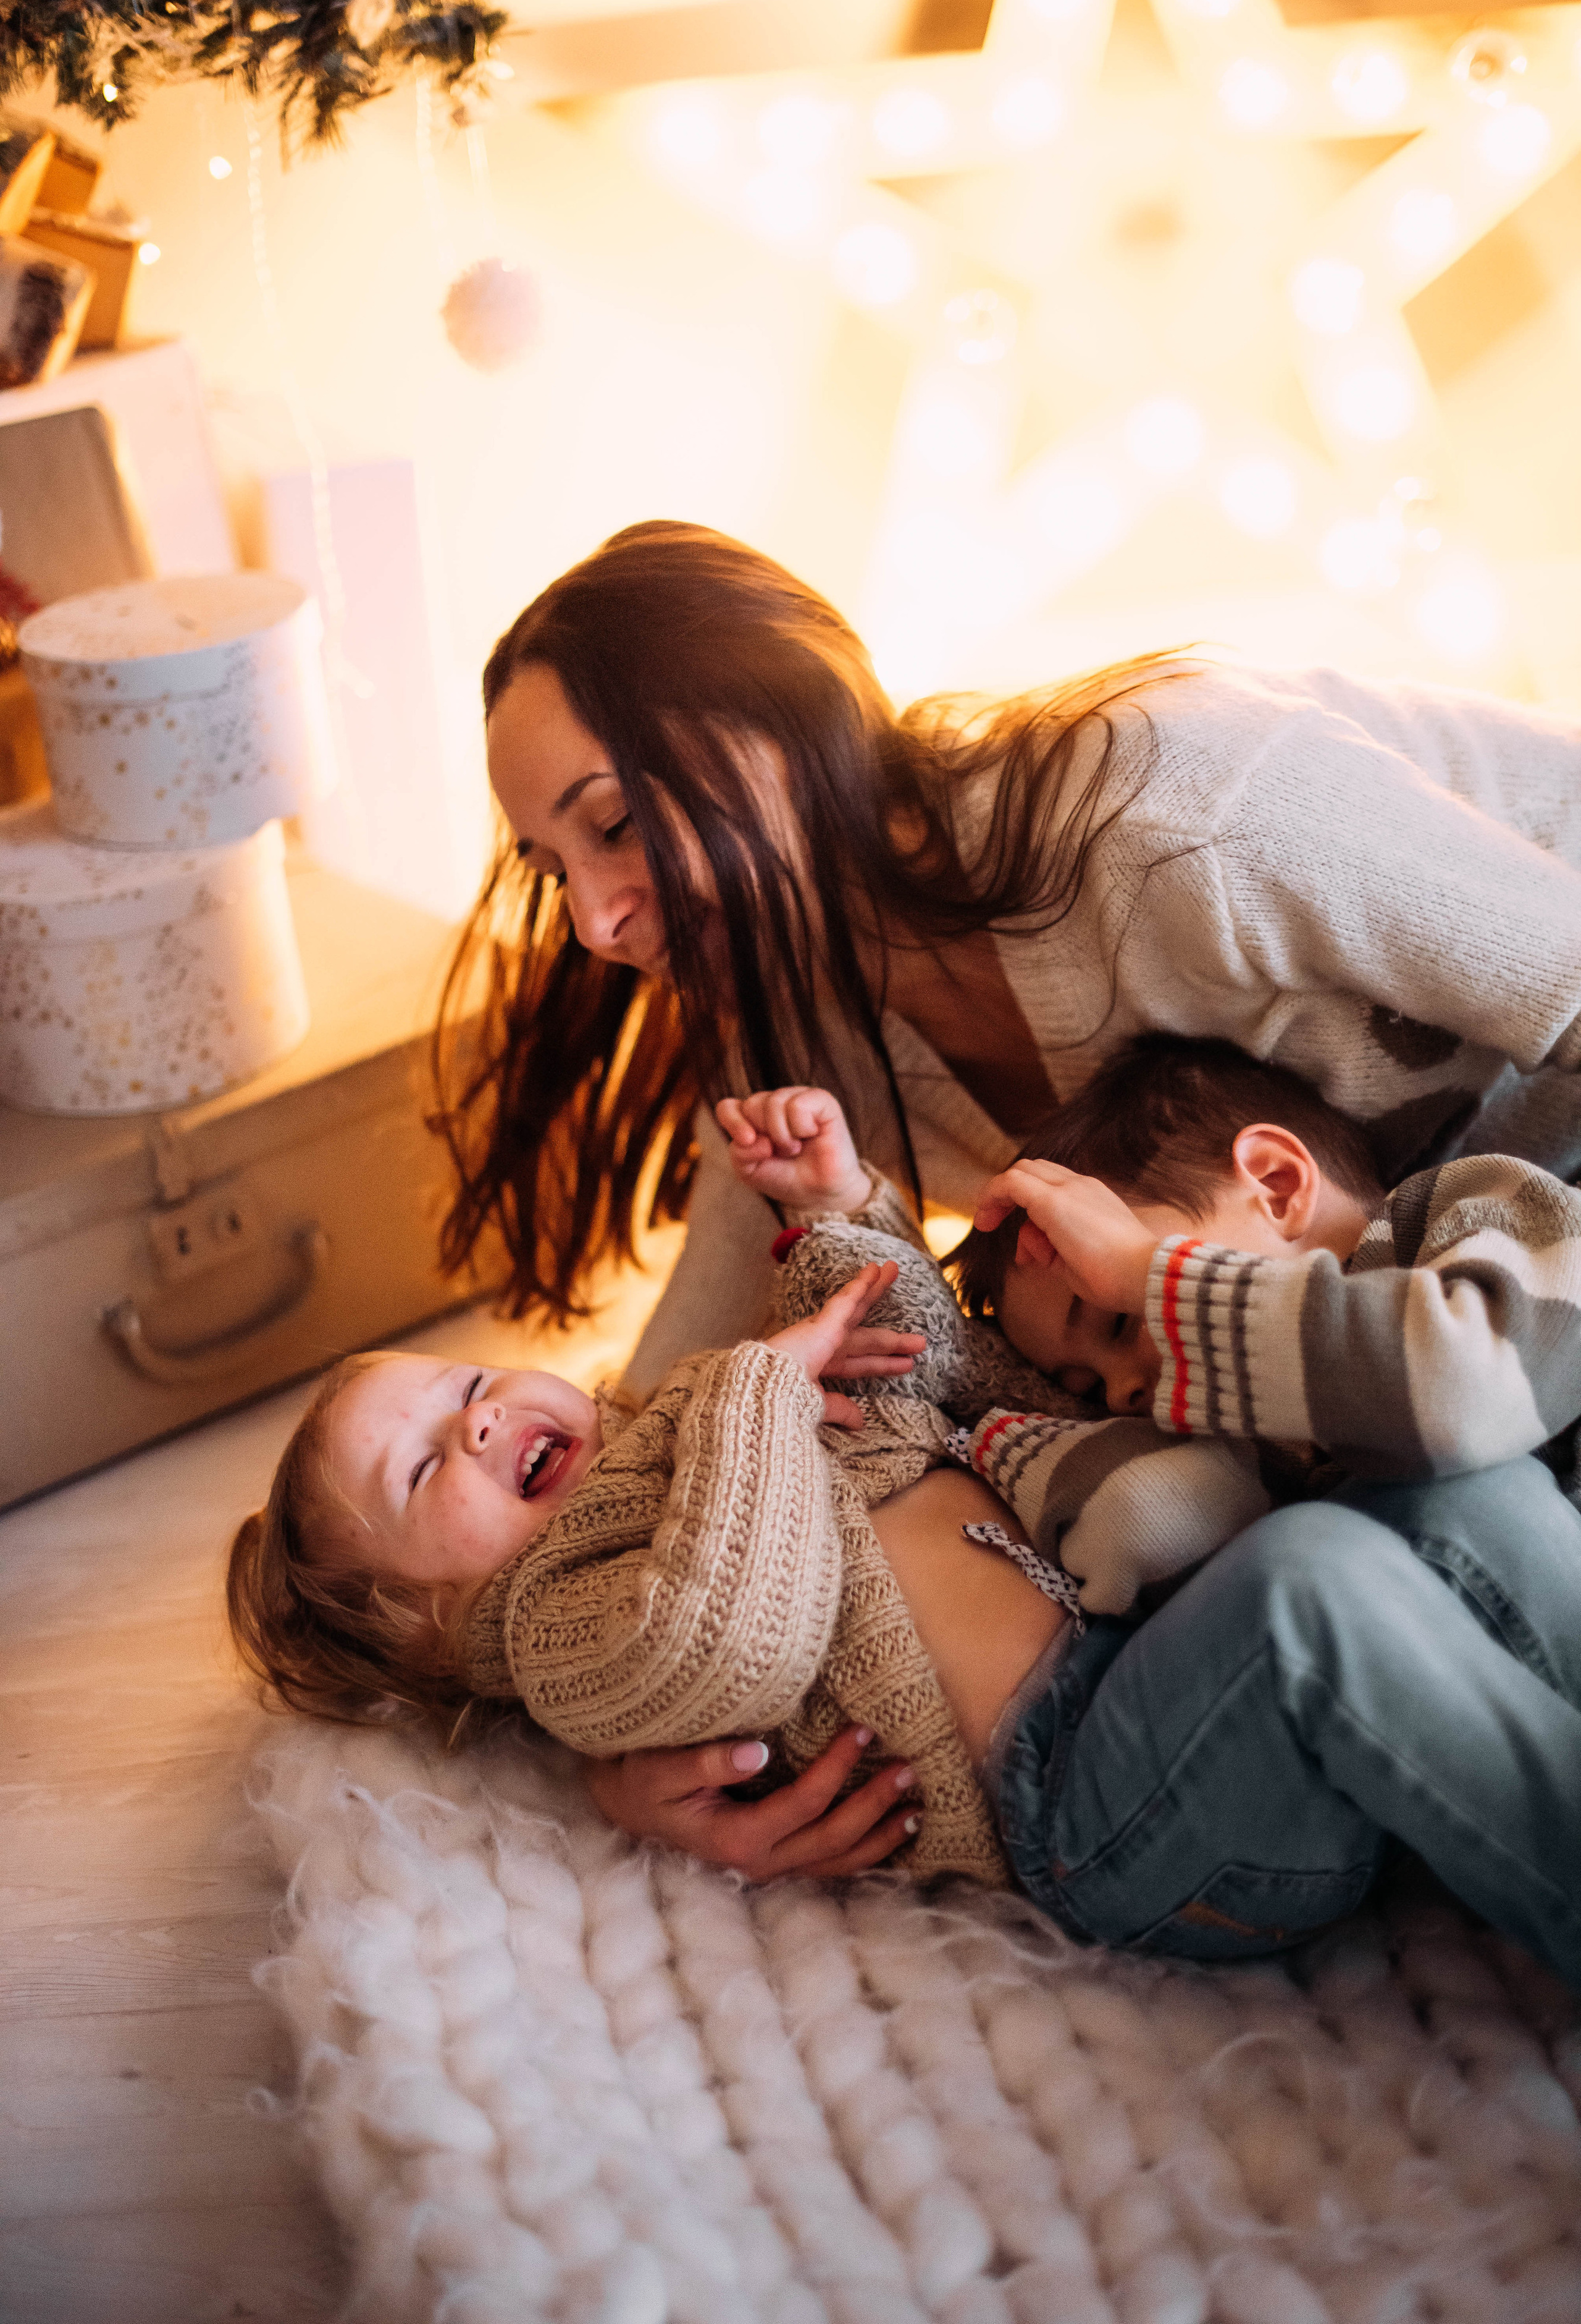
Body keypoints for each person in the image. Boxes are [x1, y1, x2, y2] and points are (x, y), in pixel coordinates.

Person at [432, 516, 1581, 1873]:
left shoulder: (1168, 808)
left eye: (614, 827)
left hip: (1526, 1243)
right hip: (1426, 1357)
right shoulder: (795, 1034)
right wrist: (629, 1753)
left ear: (773, 719)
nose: (592, 925)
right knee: (1368, 1568)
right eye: (554, 872)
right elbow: (694, 1387)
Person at [227, 1083, 1581, 1984]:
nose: (471, 1424)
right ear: (440, 1626)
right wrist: (756, 1388)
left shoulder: (697, 1418)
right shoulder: (566, 1621)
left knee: (1459, 1492)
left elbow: (925, 1366)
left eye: (466, 1387)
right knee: (1311, 1582)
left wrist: (836, 1218)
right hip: (1103, 1809)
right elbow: (721, 1637)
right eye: (420, 1474)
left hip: (1171, 1676)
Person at [945, 1031, 1581, 1614]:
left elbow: (1463, 1387)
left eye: (1116, 1319)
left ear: (1275, 1186)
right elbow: (1141, 1527)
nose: (1118, 1394)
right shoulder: (1263, 1444)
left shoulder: (1484, 1208)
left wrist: (1144, 1271)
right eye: (1085, 1387)